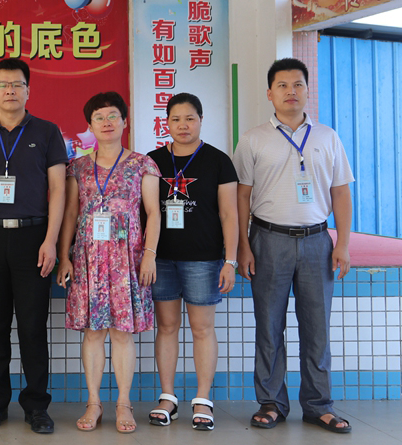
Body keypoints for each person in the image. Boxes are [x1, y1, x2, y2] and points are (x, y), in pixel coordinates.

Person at [234, 58, 354, 434]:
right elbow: (241, 196)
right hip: (268, 240)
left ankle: (319, 405)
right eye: (283, 85)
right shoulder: (253, 139)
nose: (291, 91)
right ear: (270, 94)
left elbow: (341, 193)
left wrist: (343, 244)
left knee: (317, 328)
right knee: (269, 327)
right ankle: (272, 403)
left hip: (318, 241)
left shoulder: (327, 137)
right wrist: (242, 246)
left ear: (307, 91)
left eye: (298, 84)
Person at [0, 57, 67, 435]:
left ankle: (37, 406)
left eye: (17, 84)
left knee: (33, 327)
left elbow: (59, 190)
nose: (10, 90)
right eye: (3, 84)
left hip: (33, 238)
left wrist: (51, 241)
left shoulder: (48, 132)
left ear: (28, 90)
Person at [57, 91, 160, 434]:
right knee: (93, 332)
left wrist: (149, 255)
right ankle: (94, 402)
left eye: (113, 115)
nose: (106, 122)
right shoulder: (78, 167)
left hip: (126, 260)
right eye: (99, 117)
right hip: (88, 260)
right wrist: (64, 256)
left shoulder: (143, 164)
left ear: (124, 121)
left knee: (122, 333)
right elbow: (70, 213)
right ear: (90, 125)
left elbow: (153, 213)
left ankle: (123, 403)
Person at [145, 93, 238, 431]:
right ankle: (168, 398)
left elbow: (229, 214)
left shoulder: (218, 160)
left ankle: (202, 399)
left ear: (200, 120)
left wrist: (230, 260)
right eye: (176, 119)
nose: (183, 125)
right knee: (167, 327)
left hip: (204, 259)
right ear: (166, 123)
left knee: (202, 329)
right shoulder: (153, 161)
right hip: (162, 260)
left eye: (190, 118)